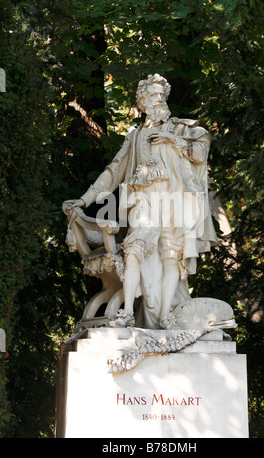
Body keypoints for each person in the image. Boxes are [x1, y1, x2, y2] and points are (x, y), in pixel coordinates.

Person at [67, 74, 218, 329]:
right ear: (143, 100)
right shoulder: (135, 136)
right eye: (154, 95)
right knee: (134, 249)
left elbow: (200, 154)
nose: (160, 98)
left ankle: (166, 316)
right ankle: (126, 312)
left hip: (173, 202)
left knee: (172, 257)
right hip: (144, 200)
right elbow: (113, 172)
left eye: (162, 94)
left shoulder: (179, 128)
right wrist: (84, 200)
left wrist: (175, 141)